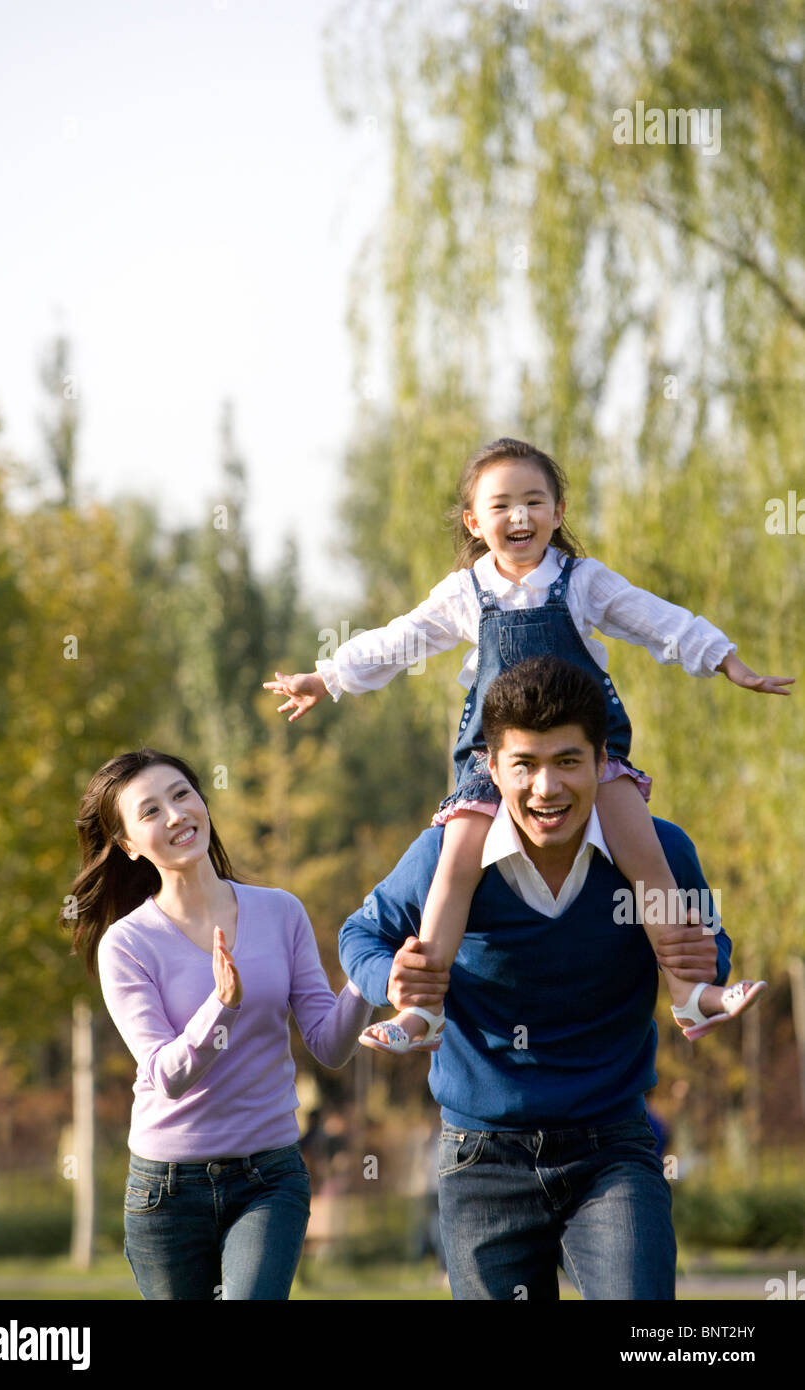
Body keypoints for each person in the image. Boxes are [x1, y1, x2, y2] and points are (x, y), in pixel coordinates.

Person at [266, 437, 789, 1049]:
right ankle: (425, 1011)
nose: (519, 517)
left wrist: (724, 659)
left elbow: (655, 620)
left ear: (558, 511)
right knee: (456, 861)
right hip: (496, 763)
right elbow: (399, 639)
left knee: (647, 855)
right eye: (501, 505)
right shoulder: (465, 593)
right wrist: (327, 677)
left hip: (588, 756)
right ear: (474, 521)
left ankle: (686, 992)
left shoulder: (583, 582)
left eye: (533, 501)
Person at [338, 656, 735, 1300]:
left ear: (603, 760)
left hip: (613, 1150)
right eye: (524, 764)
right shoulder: (445, 859)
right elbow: (360, 934)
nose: (546, 788)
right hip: (481, 1158)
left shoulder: (657, 855)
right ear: (491, 769)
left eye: (567, 761)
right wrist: (394, 979)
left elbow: (709, 945)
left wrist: (705, 963)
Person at [66, 748, 371, 1301]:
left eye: (182, 795)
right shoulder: (128, 945)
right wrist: (220, 1007)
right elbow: (167, 1074)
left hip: (269, 1177)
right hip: (166, 1190)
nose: (176, 815)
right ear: (130, 846)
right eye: (150, 810)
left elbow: (329, 1044)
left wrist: (369, 981)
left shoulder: (281, 912)